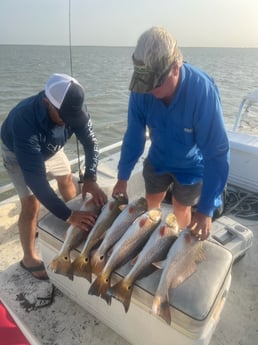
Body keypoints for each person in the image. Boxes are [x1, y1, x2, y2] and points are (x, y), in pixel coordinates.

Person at [112, 27, 229, 241]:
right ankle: (147, 243)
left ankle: (174, 246)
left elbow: (217, 154)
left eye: (155, 84)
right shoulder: (141, 91)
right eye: (144, 84)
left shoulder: (202, 91)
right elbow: (134, 136)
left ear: (176, 67)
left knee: (181, 209)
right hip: (158, 159)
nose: (149, 91)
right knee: (150, 204)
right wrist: (122, 177)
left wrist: (205, 210)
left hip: (191, 165)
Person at [1, 73, 107, 280]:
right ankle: (29, 258)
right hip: (19, 152)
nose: (70, 121)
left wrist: (90, 179)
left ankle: (75, 225)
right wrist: (68, 215)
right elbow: (35, 180)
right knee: (31, 204)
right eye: (65, 116)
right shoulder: (24, 120)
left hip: (51, 147)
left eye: (73, 116)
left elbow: (91, 144)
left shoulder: (75, 111)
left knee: (67, 179)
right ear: (47, 102)